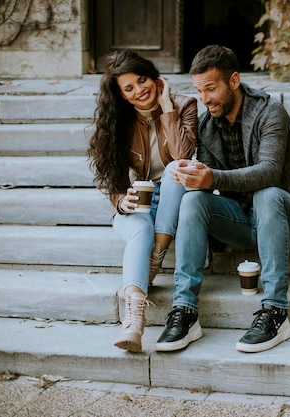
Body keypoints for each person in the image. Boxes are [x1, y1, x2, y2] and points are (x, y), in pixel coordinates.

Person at [154, 44, 290, 353]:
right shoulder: (207, 123)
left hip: (286, 215)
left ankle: (276, 311)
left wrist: (212, 177)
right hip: (243, 219)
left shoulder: (270, 112)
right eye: (199, 91)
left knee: (266, 194)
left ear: (234, 81)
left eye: (211, 88)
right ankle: (185, 311)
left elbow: (269, 172)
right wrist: (195, 175)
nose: (205, 99)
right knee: (193, 201)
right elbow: (209, 182)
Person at [87, 50, 198, 352]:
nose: (139, 90)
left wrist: (166, 110)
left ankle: (156, 255)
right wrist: (122, 201)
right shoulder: (118, 122)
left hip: (177, 193)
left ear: (153, 78)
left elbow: (182, 156)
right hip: (142, 200)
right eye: (129, 88)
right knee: (139, 228)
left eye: (142, 80)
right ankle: (133, 320)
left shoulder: (184, 104)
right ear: (121, 95)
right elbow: (113, 180)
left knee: (177, 168)